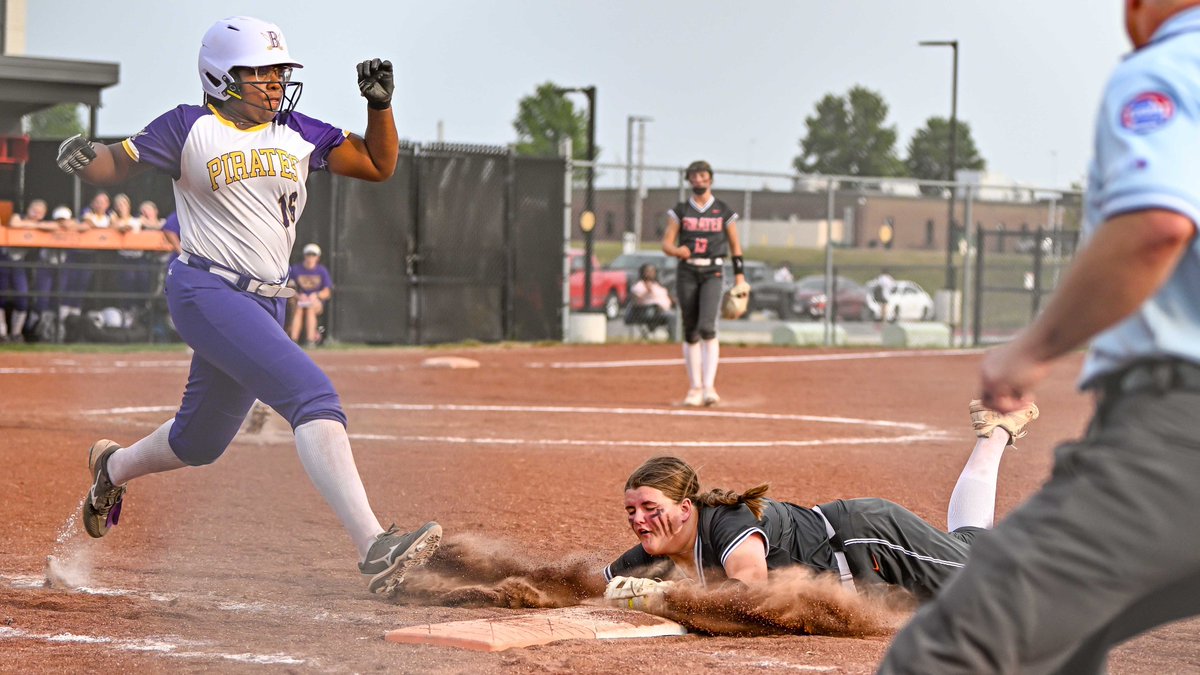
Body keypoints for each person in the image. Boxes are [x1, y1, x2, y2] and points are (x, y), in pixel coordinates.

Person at [55, 15, 440, 595]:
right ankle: (373, 547)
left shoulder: (297, 130)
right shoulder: (188, 127)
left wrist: (379, 108)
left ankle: (111, 469)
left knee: (200, 442)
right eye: (259, 71)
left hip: (266, 301)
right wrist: (88, 160)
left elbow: (378, 165)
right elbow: (120, 162)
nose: (274, 82)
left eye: (279, 70)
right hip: (205, 289)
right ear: (218, 76)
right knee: (312, 396)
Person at [879, 3, 1200, 672]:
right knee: (1061, 651)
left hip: (1178, 434)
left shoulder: (1172, 66)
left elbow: (1156, 227)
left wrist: (1031, 348)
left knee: (944, 650)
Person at [606, 401, 1039, 600]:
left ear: (685, 509)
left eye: (650, 507)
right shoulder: (656, 548)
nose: (639, 520)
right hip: (865, 572)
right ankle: (995, 429)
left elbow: (750, 586)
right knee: (969, 543)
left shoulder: (725, 520)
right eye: (632, 511)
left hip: (869, 541)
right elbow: (594, 581)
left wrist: (667, 597)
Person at [662, 160, 747, 407]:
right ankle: (694, 388)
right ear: (688, 180)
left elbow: (735, 245)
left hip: (713, 271)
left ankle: (709, 387)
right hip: (687, 271)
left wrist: (739, 275)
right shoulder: (680, 211)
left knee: (707, 327)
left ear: (711, 179)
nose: (698, 180)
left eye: (702, 175)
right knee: (690, 330)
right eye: (694, 176)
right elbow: (666, 244)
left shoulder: (722, 210)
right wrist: (678, 251)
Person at [2, 199, 49, 341]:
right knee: (1, 298)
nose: (35, 213)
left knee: (22, 298)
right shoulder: (18, 217)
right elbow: (14, 223)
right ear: (28, 209)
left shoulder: (41, 224)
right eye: (33, 209)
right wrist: (34, 225)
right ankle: (2, 333)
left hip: (19, 263)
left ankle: (16, 333)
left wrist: (38, 225)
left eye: (40, 212)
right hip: (4, 258)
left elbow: (54, 226)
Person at [287, 242, 333, 345]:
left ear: (318, 257)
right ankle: (293, 341)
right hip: (299, 301)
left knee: (310, 309)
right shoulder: (295, 270)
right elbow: (289, 288)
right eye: (308, 255)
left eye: (313, 255)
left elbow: (327, 292)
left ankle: (310, 340)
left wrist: (316, 295)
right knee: (299, 308)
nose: (310, 258)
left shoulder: (322, 271)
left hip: (315, 302)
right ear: (304, 256)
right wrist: (299, 296)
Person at [626, 263, 676, 340]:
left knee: (681, 315)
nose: (650, 273)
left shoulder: (657, 285)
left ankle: (684, 339)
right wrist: (647, 291)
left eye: (652, 271)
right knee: (672, 316)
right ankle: (674, 339)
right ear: (642, 272)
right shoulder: (639, 285)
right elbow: (636, 301)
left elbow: (667, 296)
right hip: (649, 313)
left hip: (666, 310)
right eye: (648, 271)